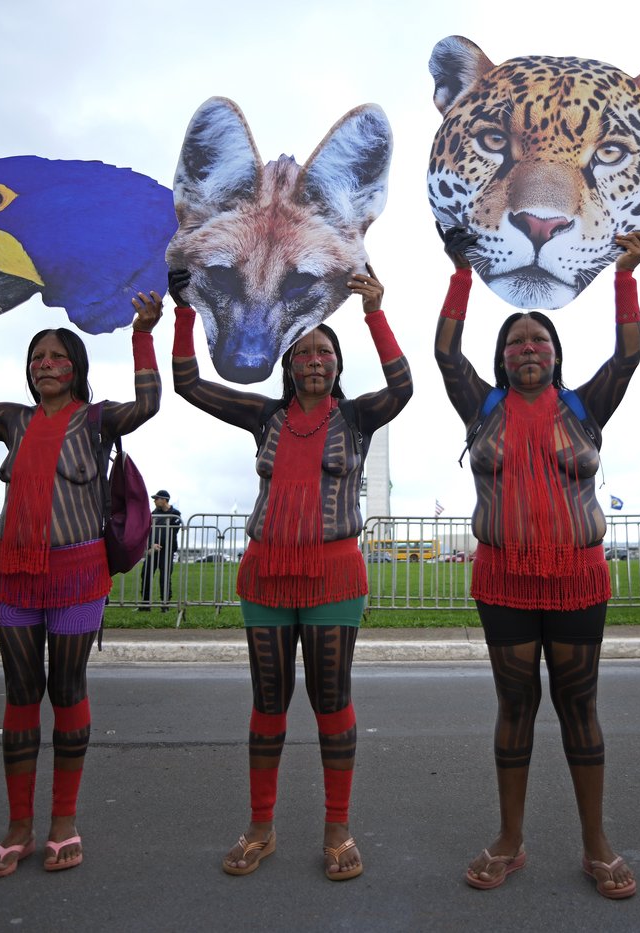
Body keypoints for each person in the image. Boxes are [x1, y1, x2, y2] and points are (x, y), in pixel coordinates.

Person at [0, 289, 162, 878]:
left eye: (56, 357)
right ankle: (19, 826)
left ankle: (64, 822)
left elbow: (148, 403)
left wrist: (144, 332)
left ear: (77, 368)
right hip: (15, 577)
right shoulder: (10, 420)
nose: (44, 365)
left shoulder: (96, 420)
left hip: (78, 576)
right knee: (21, 695)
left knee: (66, 691)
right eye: (35, 358)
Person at [171, 263, 411, 881]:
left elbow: (404, 385)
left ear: (336, 364)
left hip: (333, 575)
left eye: (323, 351)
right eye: (301, 351)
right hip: (266, 576)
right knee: (269, 702)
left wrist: (375, 312)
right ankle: (260, 827)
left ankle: (338, 828)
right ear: (287, 365)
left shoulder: (357, 420)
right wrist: (180, 313)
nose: (312, 359)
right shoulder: (265, 419)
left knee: (331, 701)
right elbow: (188, 384)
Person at [435, 222, 640, 896]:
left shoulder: (586, 407)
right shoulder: (483, 408)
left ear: (555, 354)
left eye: (539, 340)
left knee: (580, 707)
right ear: (501, 360)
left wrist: (626, 275)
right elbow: (445, 354)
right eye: (514, 342)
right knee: (516, 706)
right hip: (503, 581)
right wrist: (461, 273)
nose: (527, 347)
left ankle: (596, 841)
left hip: (579, 580)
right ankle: (510, 838)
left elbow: (629, 353)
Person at [139, 489, 181, 609]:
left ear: (164, 500)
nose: (154, 501)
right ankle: (145, 605)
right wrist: (152, 546)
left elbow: (172, 532)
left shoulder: (175, 514)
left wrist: (159, 544)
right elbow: (149, 532)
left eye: (157, 498)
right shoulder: (153, 513)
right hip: (153, 550)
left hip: (167, 551)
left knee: (165, 577)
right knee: (146, 574)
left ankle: (165, 605)